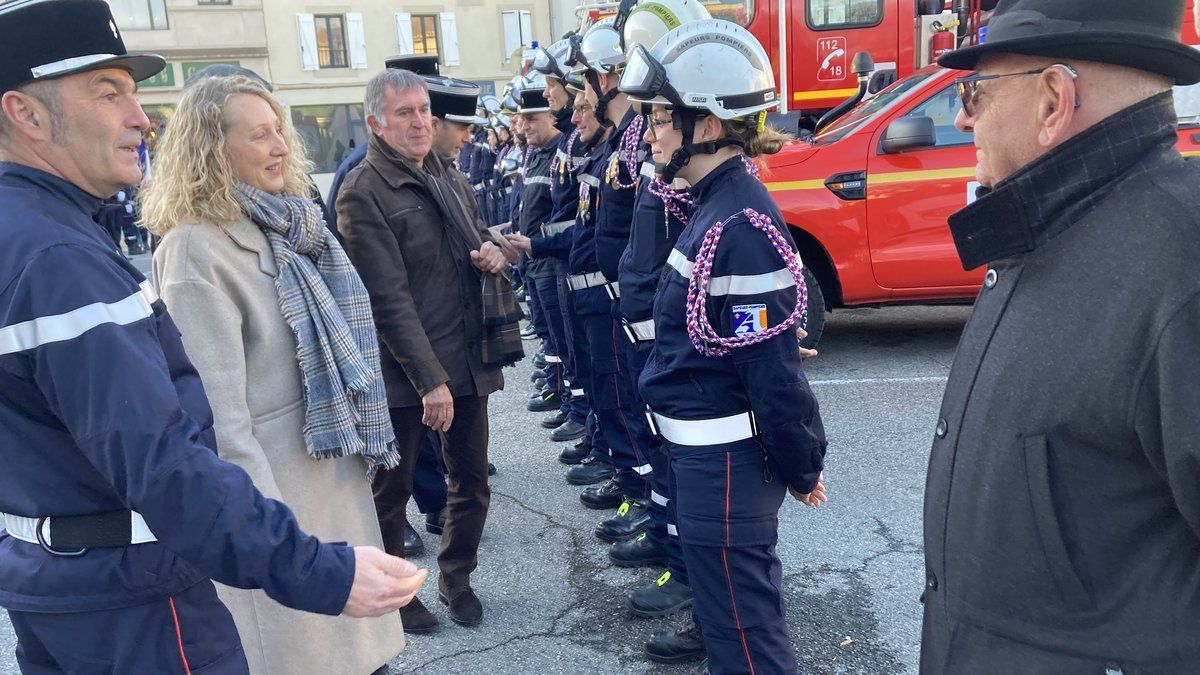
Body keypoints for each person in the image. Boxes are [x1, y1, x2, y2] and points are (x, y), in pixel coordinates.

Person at [0, 1, 424, 672]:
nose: (139, 117)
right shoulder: (69, 253)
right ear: (23, 113)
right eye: (108, 93)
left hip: (85, 575)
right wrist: (307, 564)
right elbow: (181, 445)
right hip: (145, 577)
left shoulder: (40, 229)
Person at [921, 0, 1200, 671]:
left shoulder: (1180, 256)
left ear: (1052, 100)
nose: (962, 118)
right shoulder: (1048, 224)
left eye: (975, 92)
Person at [142, 75, 407, 674]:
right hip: (284, 513)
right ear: (213, 149)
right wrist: (279, 548)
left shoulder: (285, 224)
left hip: (329, 487)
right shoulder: (193, 250)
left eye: (279, 131)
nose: (281, 147)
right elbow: (219, 424)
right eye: (260, 134)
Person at [622, 20, 828, 675]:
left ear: (708, 125)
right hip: (705, 465)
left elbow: (772, 374)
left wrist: (803, 462)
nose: (649, 132)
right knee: (728, 632)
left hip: (728, 470)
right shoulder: (713, 204)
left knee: (746, 642)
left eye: (660, 117)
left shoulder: (737, 221)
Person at [337, 69, 510, 634]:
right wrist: (429, 381)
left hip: (464, 358)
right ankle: (396, 595)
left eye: (424, 110)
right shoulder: (363, 191)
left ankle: (456, 578)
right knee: (392, 492)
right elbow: (386, 300)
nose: (420, 122)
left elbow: (477, 232)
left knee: (472, 482)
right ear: (376, 124)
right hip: (403, 373)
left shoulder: (443, 172)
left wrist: (492, 250)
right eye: (405, 113)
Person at [570, 17, 661, 547]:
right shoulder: (625, 144)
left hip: (626, 309)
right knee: (617, 403)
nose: (581, 99)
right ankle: (641, 501)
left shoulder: (636, 143)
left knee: (634, 413)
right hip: (611, 305)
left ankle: (646, 509)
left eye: (586, 85)